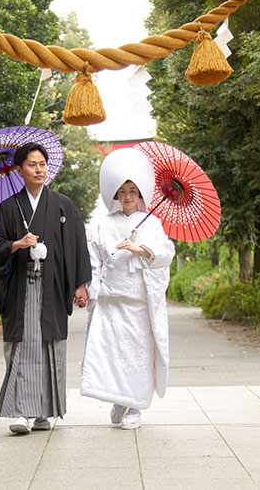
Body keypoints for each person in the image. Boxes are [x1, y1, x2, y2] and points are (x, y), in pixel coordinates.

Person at [0, 142, 91, 434]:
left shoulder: (62, 205)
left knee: (49, 345)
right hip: (20, 288)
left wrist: (81, 284)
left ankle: (44, 412)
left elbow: (77, 245)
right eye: (32, 165)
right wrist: (16, 244)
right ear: (18, 170)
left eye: (42, 164)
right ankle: (21, 412)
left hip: (53, 286)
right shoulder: (8, 208)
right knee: (22, 347)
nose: (39, 169)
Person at [81, 148, 175, 429]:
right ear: (115, 195)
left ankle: (135, 406)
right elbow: (93, 260)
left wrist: (141, 248)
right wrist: (91, 289)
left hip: (138, 301)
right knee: (111, 355)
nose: (127, 196)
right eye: (122, 191)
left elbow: (165, 252)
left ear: (141, 194)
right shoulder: (103, 225)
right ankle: (117, 399)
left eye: (133, 190)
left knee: (137, 355)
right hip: (111, 300)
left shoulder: (153, 223)